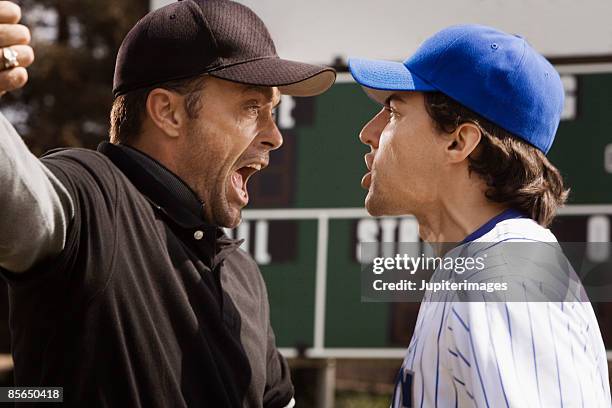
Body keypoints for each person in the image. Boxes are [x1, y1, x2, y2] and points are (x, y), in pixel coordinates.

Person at [0, 0, 335, 406]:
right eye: (252, 107)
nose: (274, 136)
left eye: (272, 111)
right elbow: (18, 198)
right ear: (168, 112)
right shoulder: (93, 198)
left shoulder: (241, 276)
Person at [349, 24, 611, 407]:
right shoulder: (485, 270)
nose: (368, 132)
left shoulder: (506, 281)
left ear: (459, 141)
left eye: (393, 112)